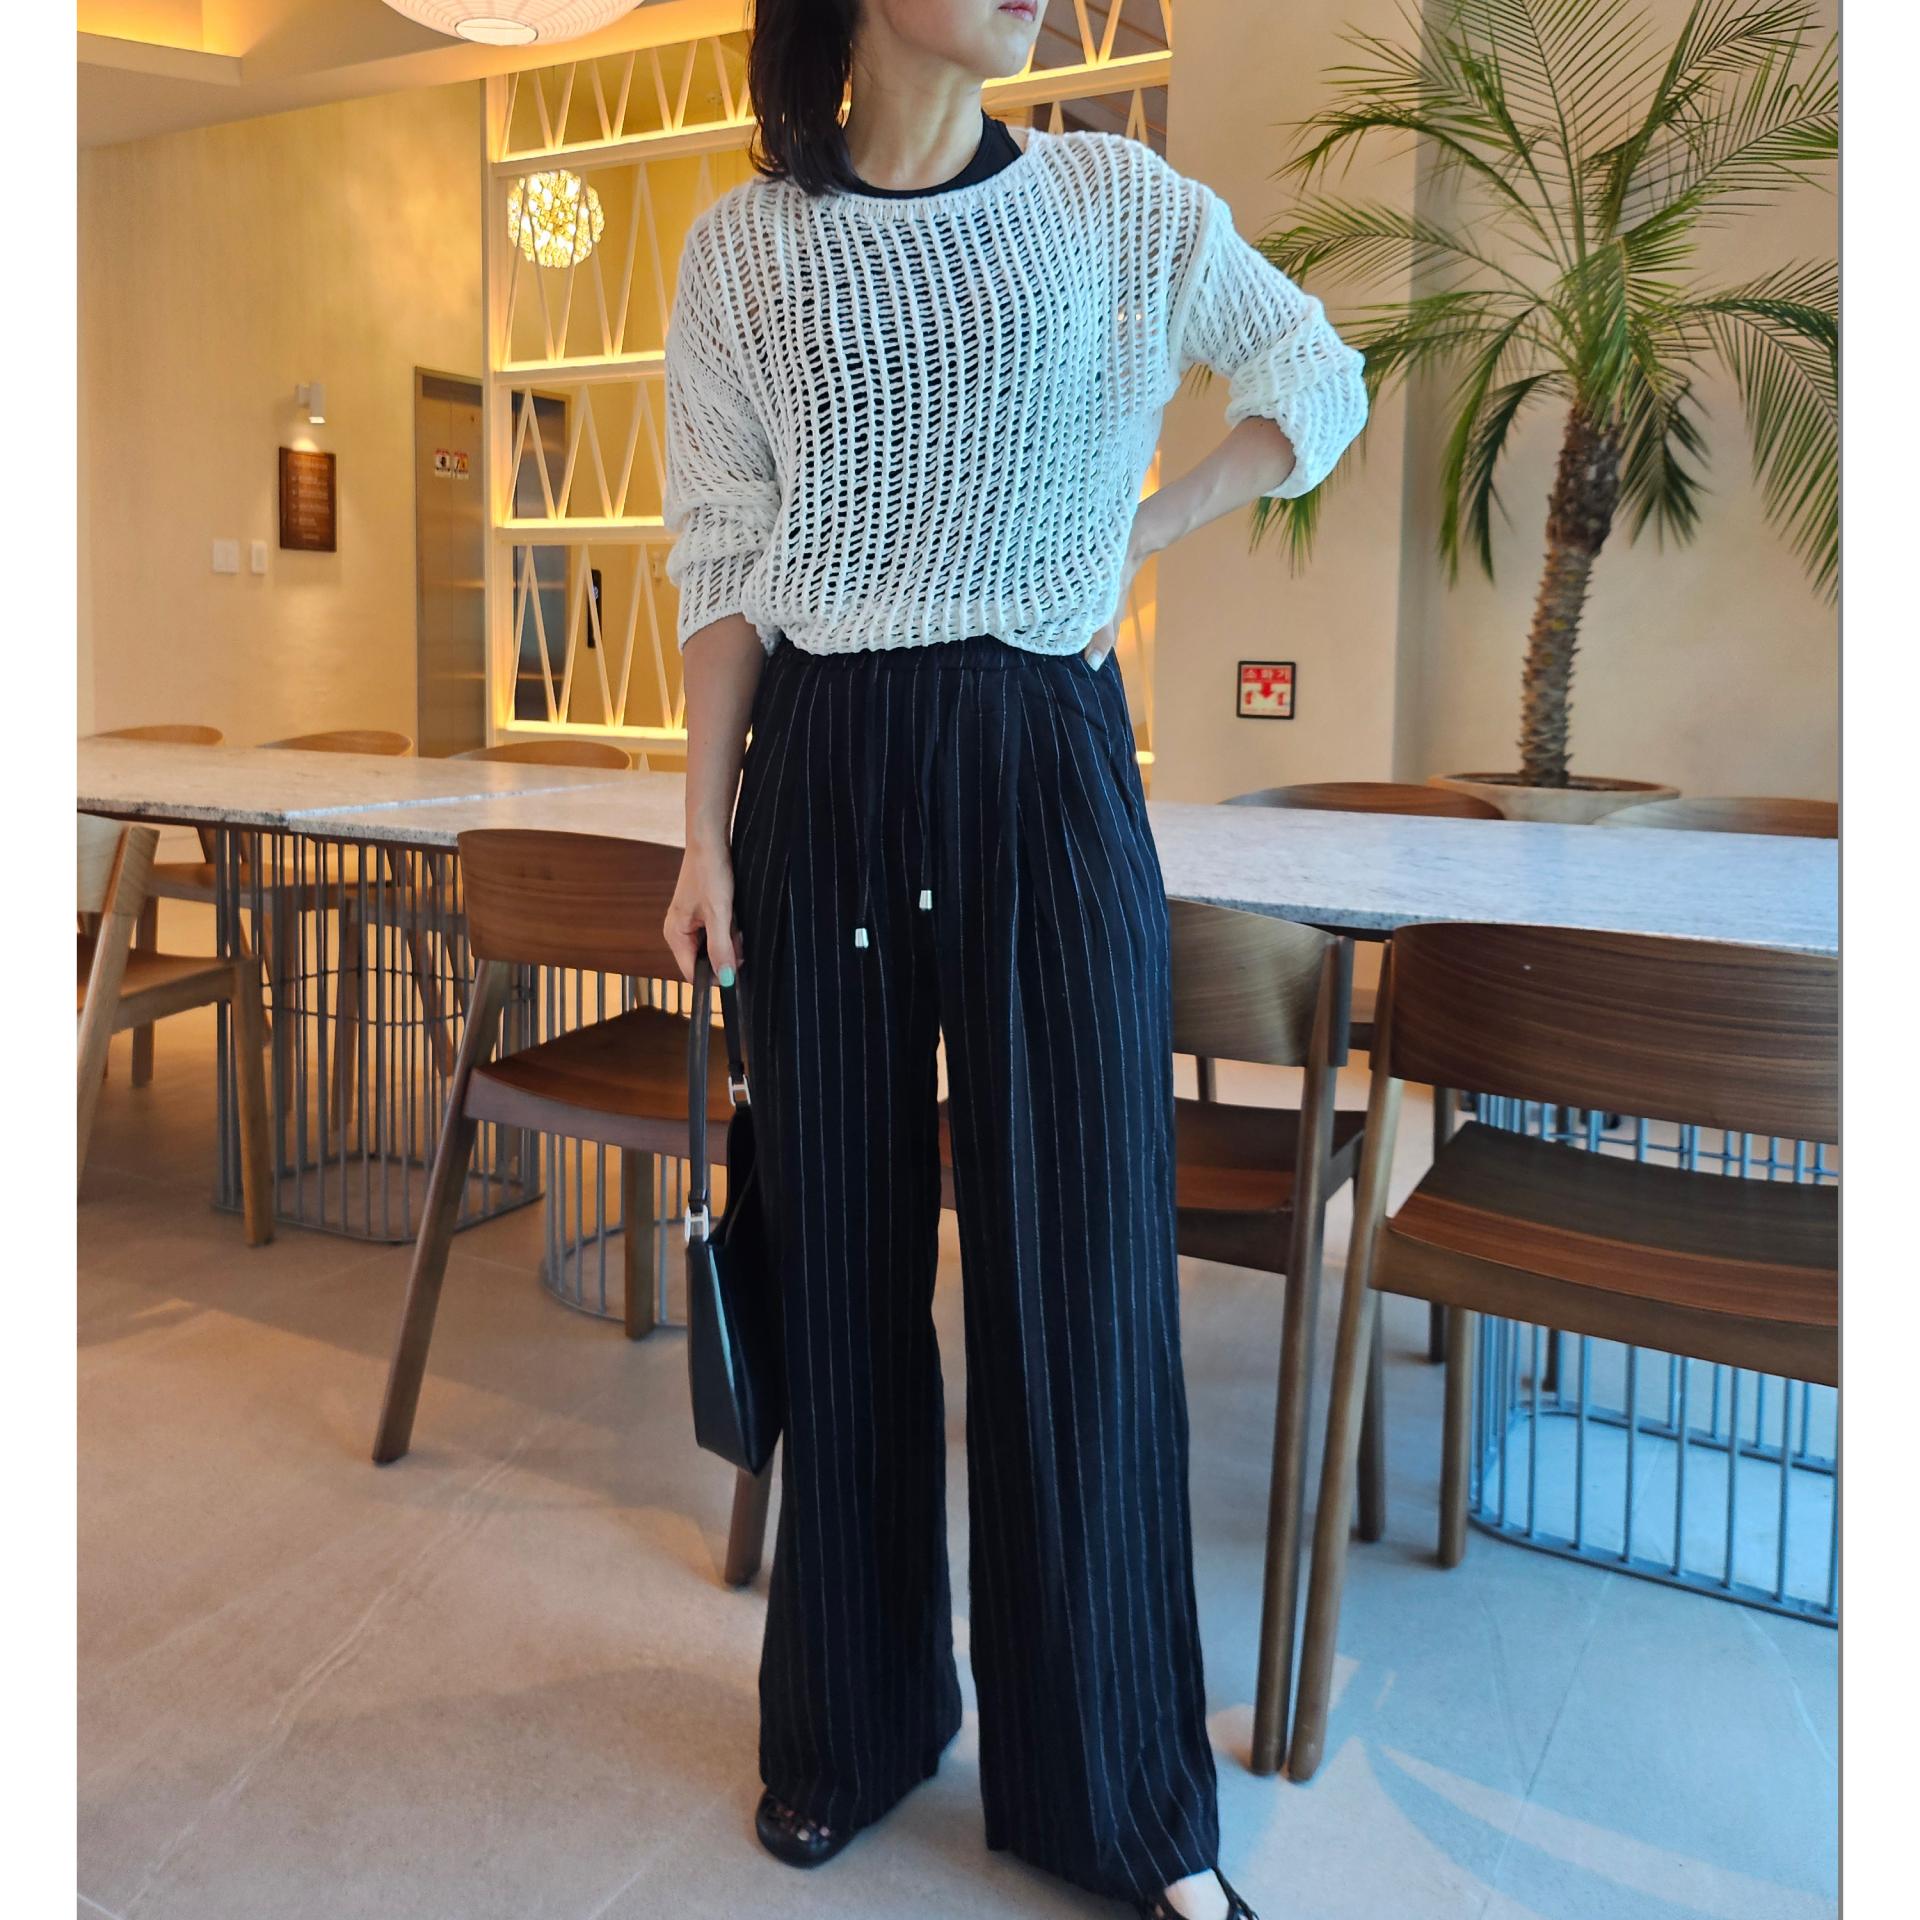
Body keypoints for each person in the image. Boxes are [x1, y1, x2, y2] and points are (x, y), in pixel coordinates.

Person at [659, 5, 1367, 1915]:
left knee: (1082, 1270)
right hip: (821, 770)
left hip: (1048, 760)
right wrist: (702, 833)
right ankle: (853, 1725)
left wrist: (1148, 523)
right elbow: (720, 561)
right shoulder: (744, 251)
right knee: (839, 1259)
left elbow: (1316, 374)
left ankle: (1119, 1796)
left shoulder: (1113, 204)